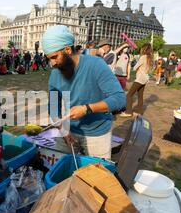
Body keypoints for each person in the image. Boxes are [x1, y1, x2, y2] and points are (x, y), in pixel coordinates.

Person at [44, 26, 126, 160]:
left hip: (97, 133)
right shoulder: (54, 75)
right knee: (61, 171)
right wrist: (63, 131)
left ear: (67, 50)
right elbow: (53, 109)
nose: (52, 63)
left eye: (54, 57)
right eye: (49, 58)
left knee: (96, 176)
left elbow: (119, 99)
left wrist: (86, 109)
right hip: (69, 131)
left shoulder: (96, 65)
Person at [120, 43, 154, 118]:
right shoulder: (149, 58)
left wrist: (132, 61)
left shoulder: (143, 57)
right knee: (140, 96)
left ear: (144, 49)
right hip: (145, 79)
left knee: (129, 95)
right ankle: (139, 112)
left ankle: (128, 112)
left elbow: (134, 68)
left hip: (140, 79)